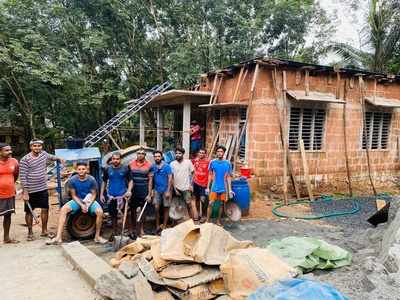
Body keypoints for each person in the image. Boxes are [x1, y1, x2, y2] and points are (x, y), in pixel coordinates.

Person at [47, 162, 107, 245]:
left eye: (83, 169)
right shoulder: (72, 180)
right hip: (77, 200)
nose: (81, 171)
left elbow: (94, 194)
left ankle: (97, 237)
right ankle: (58, 237)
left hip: (89, 200)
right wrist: (82, 205)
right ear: (76, 170)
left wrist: (88, 205)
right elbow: (73, 195)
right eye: (79, 169)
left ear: (87, 169)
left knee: (100, 212)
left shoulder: (91, 179)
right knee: (63, 209)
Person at [19, 139, 65, 241]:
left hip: (42, 188)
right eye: (35, 146)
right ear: (31, 147)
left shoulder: (43, 154)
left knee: (45, 209)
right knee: (29, 212)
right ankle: (30, 232)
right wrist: (25, 192)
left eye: (39, 146)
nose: (37, 148)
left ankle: (44, 230)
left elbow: (51, 157)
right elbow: (23, 176)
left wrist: (59, 158)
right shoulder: (25, 159)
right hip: (30, 190)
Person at [100, 152, 132, 238]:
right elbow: (104, 181)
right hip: (111, 197)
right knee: (113, 215)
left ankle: (128, 231)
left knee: (126, 214)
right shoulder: (107, 169)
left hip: (123, 196)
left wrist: (129, 191)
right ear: (111, 160)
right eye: (114, 159)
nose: (115, 161)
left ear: (120, 160)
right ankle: (115, 232)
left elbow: (130, 181)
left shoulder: (125, 168)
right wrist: (101, 194)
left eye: (117, 159)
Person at [129, 148, 153, 239]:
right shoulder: (131, 165)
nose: (140, 155)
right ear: (136, 154)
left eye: (142, 153)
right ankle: (133, 229)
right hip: (133, 192)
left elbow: (150, 181)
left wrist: (149, 194)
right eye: (138, 153)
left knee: (143, 212)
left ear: (145, 155)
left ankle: (142, 229)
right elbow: (128, 179)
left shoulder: (149, 165)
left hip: (144, 191)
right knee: (132, 212)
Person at [206, 145, 233, 226]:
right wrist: (208, 187)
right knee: (210, 203)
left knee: (221, 204)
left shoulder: (227, 163)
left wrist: (230, 189)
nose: (219, 153)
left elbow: (228, 176)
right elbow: (210, 175)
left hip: (223, 187)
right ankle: (207, 221)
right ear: (216, 153)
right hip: (214, 187)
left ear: (224, 153)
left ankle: (218, 221)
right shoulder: (212, 162)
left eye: (221, 151)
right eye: (218, 151)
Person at [170, 147, 198, 221]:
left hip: (186, 188)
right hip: (176, 188)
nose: (178, 155)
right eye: (176, 153)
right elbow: (171, 177)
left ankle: (191, 221)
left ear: (183, 154)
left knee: (189, 204)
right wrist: (174, 189)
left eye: (179, 153)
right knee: (175, 204)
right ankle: (175, 222)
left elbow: (193, 173)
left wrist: (191, 184)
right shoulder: (172, 164)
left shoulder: (188, 162)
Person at [0, 143, 19, 244]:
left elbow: (15, 175)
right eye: (6, 150)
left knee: (8, 216)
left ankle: (6, 238)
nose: (10, 152)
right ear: (0, 152)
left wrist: (9, 185)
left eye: (10, 150)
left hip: (9, 194)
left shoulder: (14, 162)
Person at [151, 150, 172, 234]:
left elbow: (170, 178)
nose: (157, 158)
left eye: (158, 156)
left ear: (161, 157)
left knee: (166, 207)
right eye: (155, 156)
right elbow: (151, 179)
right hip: (156, 190)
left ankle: (164, 225)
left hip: (165, 190)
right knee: (156, 207)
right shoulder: (153, 167)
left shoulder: (167, 166)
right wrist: (152, 190)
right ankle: (157, 225)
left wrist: (168, 191)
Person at [192, 148, 210, 221]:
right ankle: (198, 214)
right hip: (196, 183)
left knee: (203, 200)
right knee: (197, 199)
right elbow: (192, 171)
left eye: (203, 153)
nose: (201, 154)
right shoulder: (194, 161)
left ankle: (204, 215)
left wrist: (208, 185)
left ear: (205, 154)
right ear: (198, 153)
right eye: (200, 152)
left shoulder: (208, 162)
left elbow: (210, 174)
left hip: (204, 184)